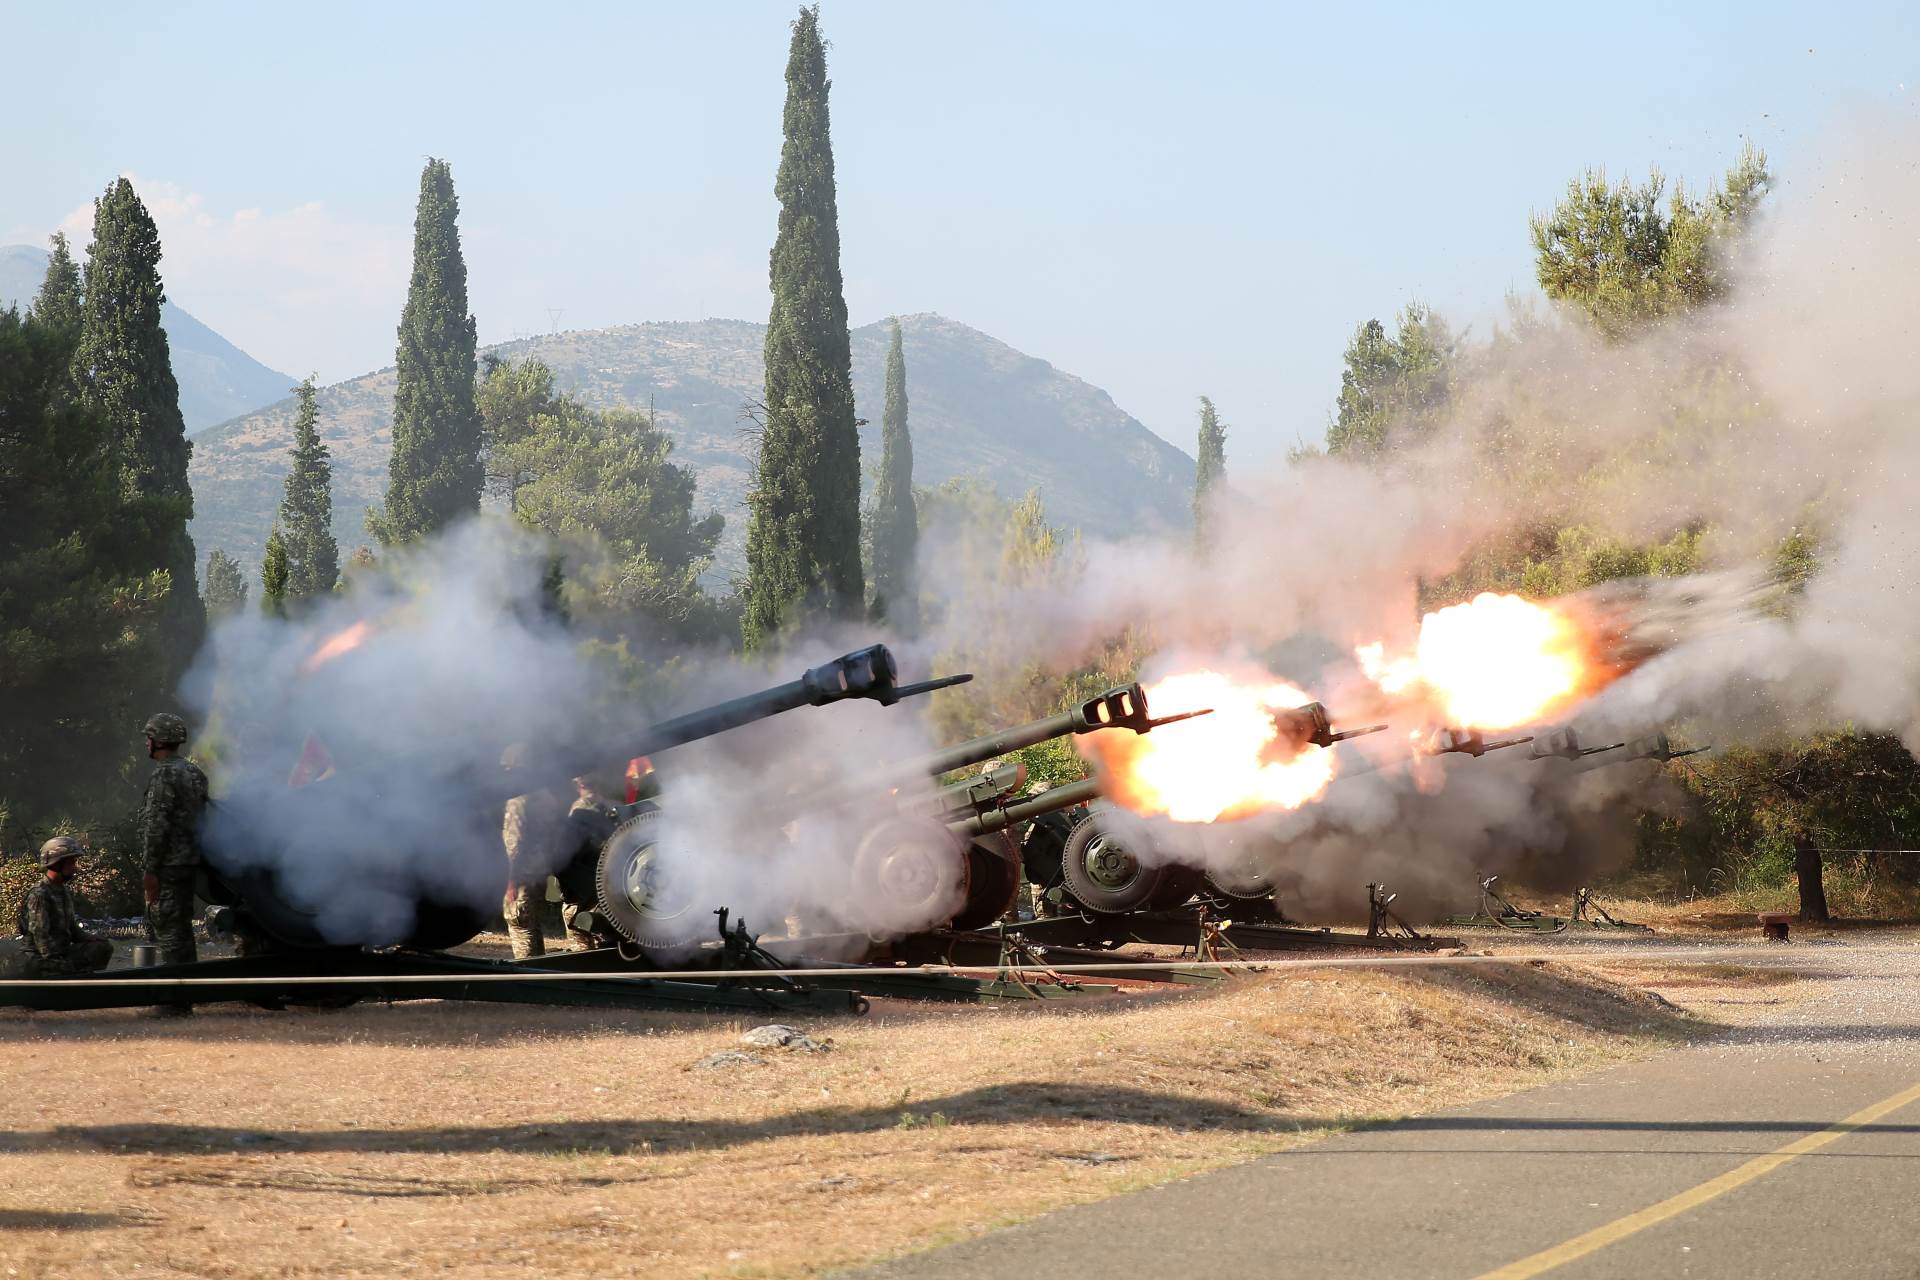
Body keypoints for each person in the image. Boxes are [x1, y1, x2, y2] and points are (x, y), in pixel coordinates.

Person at [140, 712, 209, 976]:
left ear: (159, 741)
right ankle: (188, 984)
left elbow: (156, 827)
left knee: (169, 931)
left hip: (167, 865)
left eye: (149, 737)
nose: (147, 742)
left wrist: (150, 871)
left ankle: (177, 991)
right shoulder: (195, 773)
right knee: (182, 929)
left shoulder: (163, 775)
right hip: (189, 863)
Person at [500, 745, 573, 960]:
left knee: (520, 924)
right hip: (540, 872)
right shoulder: (546, 796)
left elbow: (515, 843)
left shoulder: (518, 800)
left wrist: (510, 880)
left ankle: (526, 974)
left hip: (522, 874)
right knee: (531, 925)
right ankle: (538, 970)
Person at [23, 837, 114, 975]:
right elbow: (41, 938)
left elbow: (72, 929)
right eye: (71, 862)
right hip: (40, 958)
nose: (74, 867)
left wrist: (90, 938)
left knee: (103, 947)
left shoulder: (62, 891)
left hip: (61, 952)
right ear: (56, 864)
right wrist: (60, 963)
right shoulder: (40, 894)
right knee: (67, 969)